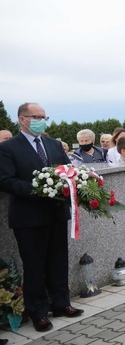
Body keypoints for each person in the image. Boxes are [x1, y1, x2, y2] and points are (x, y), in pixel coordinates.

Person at [0, 103, 84, 332]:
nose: (41, 120)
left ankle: (61, 303)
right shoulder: (8, 148)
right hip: (28, 217)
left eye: (43, 116)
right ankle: (38, 312)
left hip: (56, 213)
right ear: (22, 120)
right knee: (34, 265)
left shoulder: (53, 144)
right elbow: (6, 181)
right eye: (36, 116)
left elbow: (67, 172)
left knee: (58, 260)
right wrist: (38, 189)